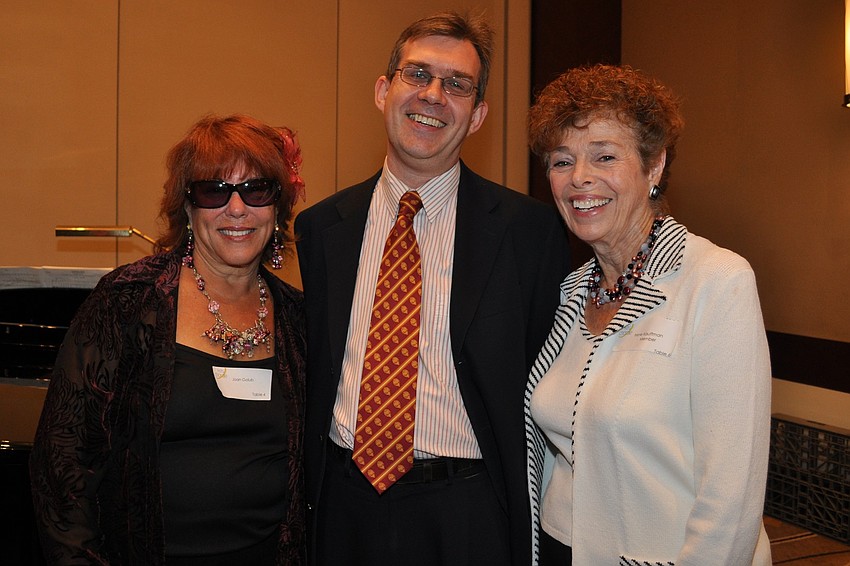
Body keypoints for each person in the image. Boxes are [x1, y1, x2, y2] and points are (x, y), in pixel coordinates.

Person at [295, 11, 570, 566]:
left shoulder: (529, 233)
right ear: (383, 89)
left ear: (478, 115)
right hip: (342, 506)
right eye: (417, 75)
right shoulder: (322, 228)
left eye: (457, 84)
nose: (434, 95)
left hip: (467, 513)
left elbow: (550, 384)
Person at [29, 113, 308, 565]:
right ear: (187, 205)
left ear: (277, 207)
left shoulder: (299, 319)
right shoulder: (128, 302)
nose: (236, 209)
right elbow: (62, 465)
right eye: (214, 190)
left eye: (256, 189)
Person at [524, 64, 773, 565]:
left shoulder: (714, 281)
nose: (580, 179)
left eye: (605, 156)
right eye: (561, 160)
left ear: (654, 166)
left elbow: (732, 495)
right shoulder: (573, 293)